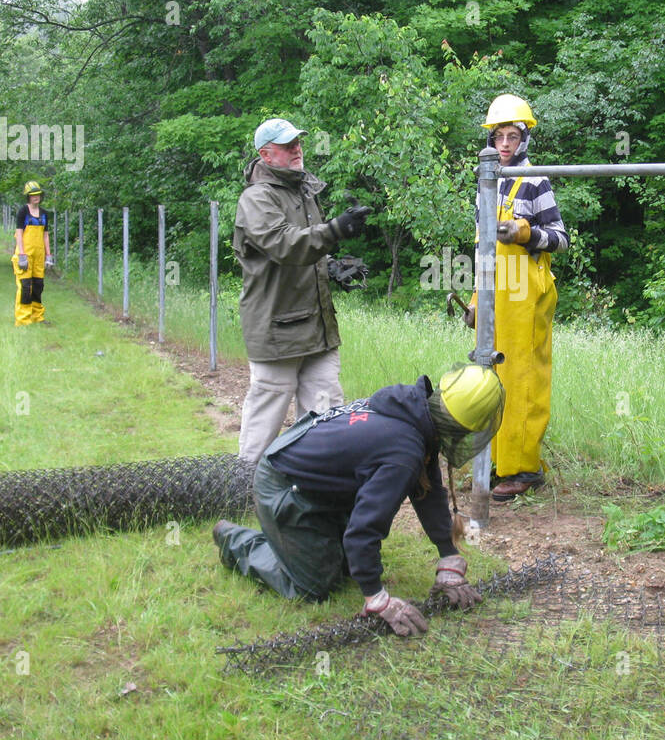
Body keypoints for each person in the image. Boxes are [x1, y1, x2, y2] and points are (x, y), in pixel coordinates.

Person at [212, 364, 504, 635]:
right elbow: (364, 531)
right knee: (314, 584)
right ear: (462, 429)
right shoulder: (403, 450)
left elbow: (426, 490)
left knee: (346, 566)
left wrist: (448, 555)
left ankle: (303, 541)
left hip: (316, 479)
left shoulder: (414, 412)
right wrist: (377, 599)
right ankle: (236, 541)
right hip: (283, 482)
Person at [233, 117, 371, 463]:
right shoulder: (257, 198)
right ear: (266, 154)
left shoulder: (303, 191)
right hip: (277, 330)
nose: (297, 150)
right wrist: (336, 230)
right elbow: (284, 245)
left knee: (326, 414)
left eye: (298, 142)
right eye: (287, 145)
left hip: (318, 328)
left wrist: (331, 267)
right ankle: (243, 491)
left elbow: (307, 251)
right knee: (266, 417)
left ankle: (318, 487)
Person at [469, 95, 568, 498]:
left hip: (527, 295)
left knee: (525, 379)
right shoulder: (486, 182)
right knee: (492, 378)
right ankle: (497, 463)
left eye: (512, 136)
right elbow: (482, 251)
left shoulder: (535, 180)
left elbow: (561, 239)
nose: (504, 144)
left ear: (524, 139)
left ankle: (524, 470)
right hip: (496, 294)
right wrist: (477, 301)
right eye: (498, 137)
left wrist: (527, 233)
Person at [12, 180, 54, 326]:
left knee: (38, 285)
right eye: (33, 195)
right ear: (28, 197)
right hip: (25, 254)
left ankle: (37, 317)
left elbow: (45, 235)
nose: (36, 197)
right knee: (25, 286)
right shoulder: (23, 211)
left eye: (38, 195)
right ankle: (23, 320)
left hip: (39, 255)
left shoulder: (44, 214)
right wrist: (22, 255)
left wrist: (49, 255)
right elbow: (19, 233)